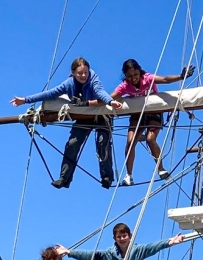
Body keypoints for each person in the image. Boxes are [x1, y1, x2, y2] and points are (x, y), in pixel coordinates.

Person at [10, 57, 123, 189]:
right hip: (84, 116)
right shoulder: (69, 84)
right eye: (80, 73)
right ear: (73, 73)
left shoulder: (93, 79)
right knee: (72, 144)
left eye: (85, 72)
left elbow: (100, 92)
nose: (83, 75)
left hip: (101, 115)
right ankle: (64, 178)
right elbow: (49, 94)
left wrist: (110, 102)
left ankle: (107, 177)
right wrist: (25, 100)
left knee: (102, 142)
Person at [111, 59, 196, 186]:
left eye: (135, 75)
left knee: (150, 139)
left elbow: (165, 79)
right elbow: (109, 97)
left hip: (153, 110)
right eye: (129, 76)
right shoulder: (125, 86)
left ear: (139, 71)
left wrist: (181, 76)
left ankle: (161, 169)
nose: (133, 78)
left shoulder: (148, 78)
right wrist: (91, 102)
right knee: (130, 141)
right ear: (125, 76)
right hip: (137, 112)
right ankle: (129, 175)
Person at [58, 223, 186, 260]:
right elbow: (89, 255)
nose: (122, 239)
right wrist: (69, 252)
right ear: (115, 239)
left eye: (124, 236)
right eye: (119, 237)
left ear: (130, 236)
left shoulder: (139, 250)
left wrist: (170, 242)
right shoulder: (109, 254)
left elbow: (154, 246)